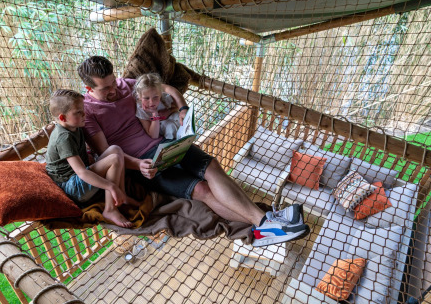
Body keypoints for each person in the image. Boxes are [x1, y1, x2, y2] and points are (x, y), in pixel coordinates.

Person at [78, 56, 309, 246]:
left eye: (113, 82)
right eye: (106, 88)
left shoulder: (125, 85)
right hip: (145, 164)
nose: (114, 90)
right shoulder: (88, 113)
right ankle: (266, 224)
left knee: (212, 166)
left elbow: (166, 88)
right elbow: (108, 153)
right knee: (202, 190)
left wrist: (182, 107)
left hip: (168, 144)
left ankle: (266, 222)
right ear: (89, 88)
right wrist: (138, 165)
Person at [45, 89, 137, 228]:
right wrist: (110, 186)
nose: (84, 114)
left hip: (80, 177)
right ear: (62, 118)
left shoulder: (75, 126)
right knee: (114, 160)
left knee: (115, 150)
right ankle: (110, 209)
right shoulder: (64, 137)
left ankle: (121, 195)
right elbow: (81, 172)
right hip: (71, 187)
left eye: (83, 109)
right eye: (78, 112)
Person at [134, 73, 186, 140]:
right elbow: (154, 135)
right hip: (164, 128)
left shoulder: (165, 98)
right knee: (170, 126)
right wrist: (155, 113)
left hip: (175, 121)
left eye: (155, 97)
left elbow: (176, 108)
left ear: (160, 94)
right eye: (146, 98)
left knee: (179, 117)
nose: (151, 102)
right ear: (139, 97)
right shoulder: (140, 108)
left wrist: (169, 112)